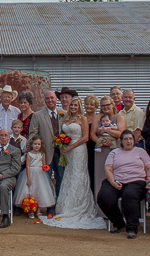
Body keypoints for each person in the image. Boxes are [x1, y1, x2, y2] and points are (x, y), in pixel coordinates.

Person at [41, 97, 107, 230]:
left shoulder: (82, 118)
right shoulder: (66, 119)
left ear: (79, 107)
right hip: (67, 151)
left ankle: (78, 205)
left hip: (78, 150)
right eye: (72, 105)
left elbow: (85, 137)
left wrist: (71, 147)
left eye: (75, 105)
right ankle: (66, 206)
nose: (73, 107)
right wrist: (62, 144)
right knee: (68, 176)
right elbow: (63, 134)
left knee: (78, 175)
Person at [97, 131, 150, 239]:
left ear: (134, 140)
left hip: (136, 181)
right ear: (121, 141)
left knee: (129, 195)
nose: (128, 141)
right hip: (117, 180)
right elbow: (108, 169)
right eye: (126, 139)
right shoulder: (114, 152)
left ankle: (132, 228)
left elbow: (148, 168)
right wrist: (113, 182)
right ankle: (118, 223)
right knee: (104, 196)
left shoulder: (140, 151)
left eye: (130, 139)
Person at [28, 89, 63, 200]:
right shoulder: (38, 115)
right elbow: (33, 134)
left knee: (61, 179)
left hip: (61, 154)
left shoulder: (64, 114)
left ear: (56, 99)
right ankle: (48, 205)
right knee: (45, 180)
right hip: (45, 153)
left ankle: (59, 203)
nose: (50, 100)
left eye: (52, 98)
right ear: (45, 101)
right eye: (47, 98)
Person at [13, 136, 55, 219]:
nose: (37, 146)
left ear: (41, 145)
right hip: (31, 173)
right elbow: (27, 166)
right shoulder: (29, 154)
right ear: (32, 145)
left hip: (40, 174)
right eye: (35, 144)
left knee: (40, 191)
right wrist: (29, 178)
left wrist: (45, 167)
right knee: (30, 191)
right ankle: (30, 210)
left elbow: (44, 165)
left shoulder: (42, 154)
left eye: (38, 144)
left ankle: (38, 210)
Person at [93, 95, 126, 199]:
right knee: (100, 175)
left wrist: (106, 130)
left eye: (107, 105)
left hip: (115, 148)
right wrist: (100, 142)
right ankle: (100, 209)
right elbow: (92, 134)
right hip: (101, 150)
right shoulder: (98, 117)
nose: (105, 107)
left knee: (115, 175)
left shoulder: (119, 117)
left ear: (112, 105)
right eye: (103, 106)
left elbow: (121, 134)